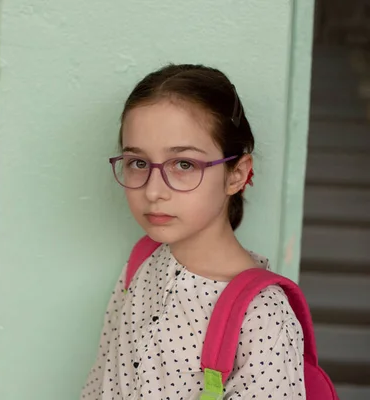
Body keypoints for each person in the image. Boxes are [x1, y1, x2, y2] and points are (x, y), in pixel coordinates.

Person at [81, 64, 305, 399]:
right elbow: (100, 384)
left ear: (237, 174)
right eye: (138, 163)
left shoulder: (262, 317)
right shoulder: (141, 262)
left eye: (184, 164)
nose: (154, 191)